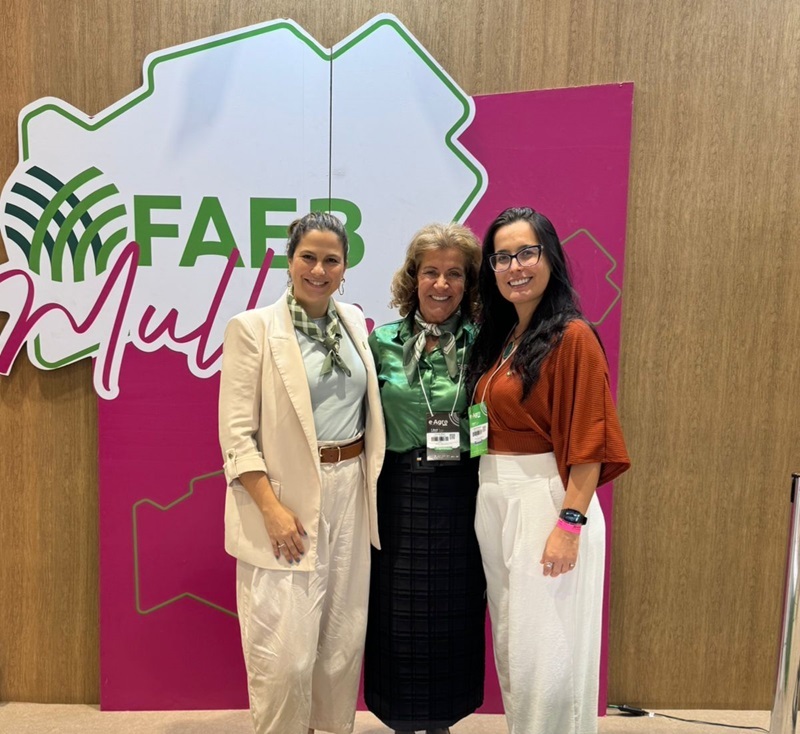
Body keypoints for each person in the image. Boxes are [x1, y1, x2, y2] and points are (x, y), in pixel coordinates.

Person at [218, 212, 385, 734]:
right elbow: (237, 436)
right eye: (307, 257)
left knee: (339, 645)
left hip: (350, 491)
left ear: (345, 267)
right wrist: (270, 509)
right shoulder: (253, 329)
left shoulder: (354, 322)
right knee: (285, 655)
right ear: (289, 262)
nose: (318, 269)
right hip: (286, 499)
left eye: (330, 260)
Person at [468, 207, 631, 734]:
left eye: (526, 252)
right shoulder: (502, 339)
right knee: (517, 650)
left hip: (548, 501)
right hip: (495, 498)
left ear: (550, 257)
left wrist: (569, 525)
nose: (514, 266)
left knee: (550, 656)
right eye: (502, 256)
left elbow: (590, 441)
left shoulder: (572, 336)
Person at [364, 223, 486, 734]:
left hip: (463, 493)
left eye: (454, 273)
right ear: (413, 278)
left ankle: (443, 723)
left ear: (468, 282)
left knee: (453, 617)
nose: (441, 284)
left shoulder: (487, 342)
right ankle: (400, 723)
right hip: (397, 494)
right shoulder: (381, 342)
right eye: (431, 272)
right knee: (397, 618)